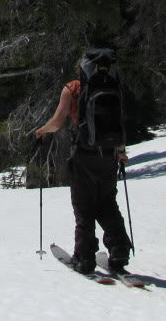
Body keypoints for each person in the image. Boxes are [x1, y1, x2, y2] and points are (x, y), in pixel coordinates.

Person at [33, 55, 133, 274]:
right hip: (108, 155)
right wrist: (121, 151)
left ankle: (85, 257)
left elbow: (58, 122)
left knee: (84, 206)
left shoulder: (73, 88)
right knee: (108, 203)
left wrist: (41, 130)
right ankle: (119, 250)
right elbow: (117, 121)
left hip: (84, 154)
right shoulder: (113, 86)